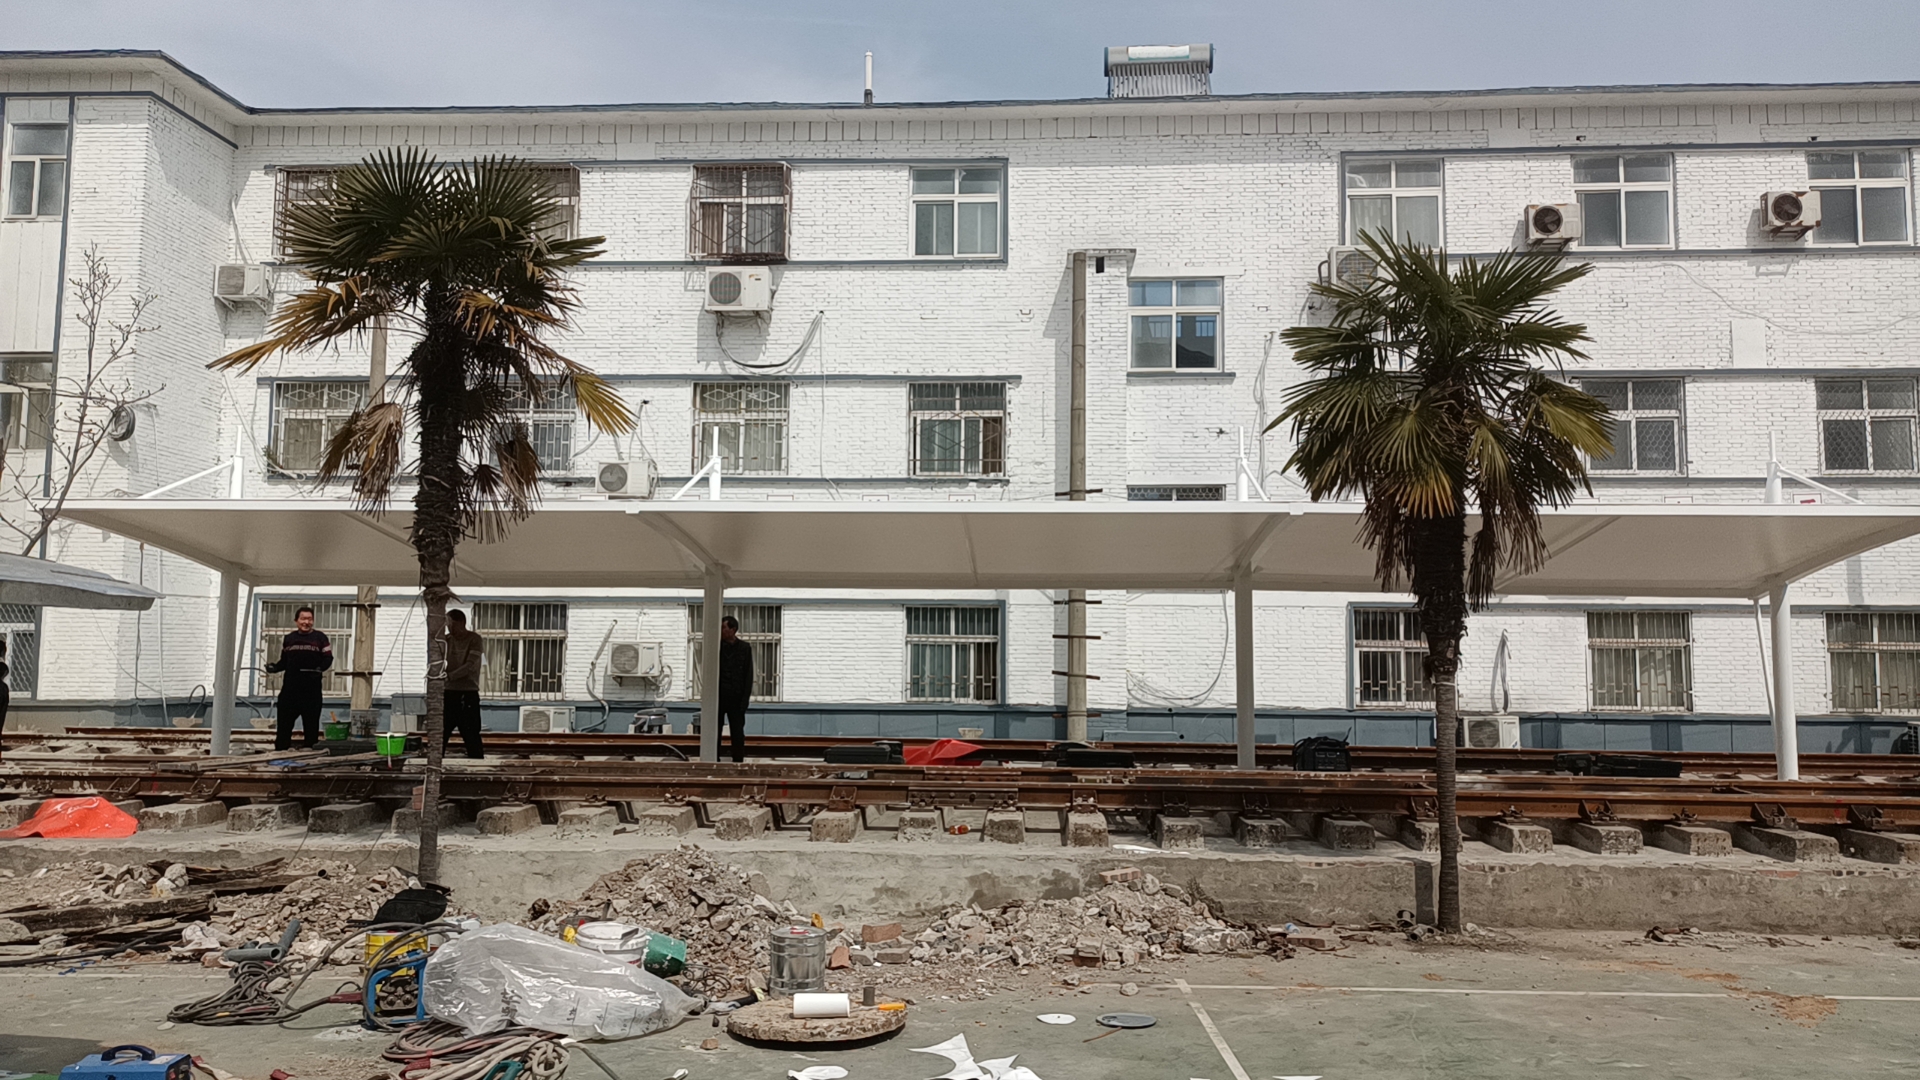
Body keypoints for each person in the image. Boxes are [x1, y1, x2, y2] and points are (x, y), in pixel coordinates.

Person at [266, 605, 332, 750]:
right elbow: (284, 661)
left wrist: (319, 669)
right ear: (296, 621)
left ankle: (310, 751)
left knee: (311, 724)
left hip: (311, 690)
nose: (306, 622)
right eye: (303, 619)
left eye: (309, 619)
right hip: (290, 690)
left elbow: (328, 658)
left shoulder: (320, 638)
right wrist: (275, 668)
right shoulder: (289, 639)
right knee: (284, 724)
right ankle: (281, 751)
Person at [442, 609, 486, 760]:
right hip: (448, 692)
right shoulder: (446, 640)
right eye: (447, 625)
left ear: (461, 623)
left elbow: (470, 666)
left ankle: (477, 766)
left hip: (468, 693)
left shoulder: (474, 639)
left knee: (471, 732)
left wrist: (449, 676)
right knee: (442, 732)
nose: (449, 628)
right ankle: (436, 764)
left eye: (451, 624)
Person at [717, 615, 753, 763]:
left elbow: (748, 675)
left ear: (733, 630)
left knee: (737, 731)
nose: (721, 631)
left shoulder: (744, 648)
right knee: (715, 730)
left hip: (736, 697)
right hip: (719, 696)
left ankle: (738, 760)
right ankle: (714, 758)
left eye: (724, 628)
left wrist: (745, 700)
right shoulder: (717, 647)